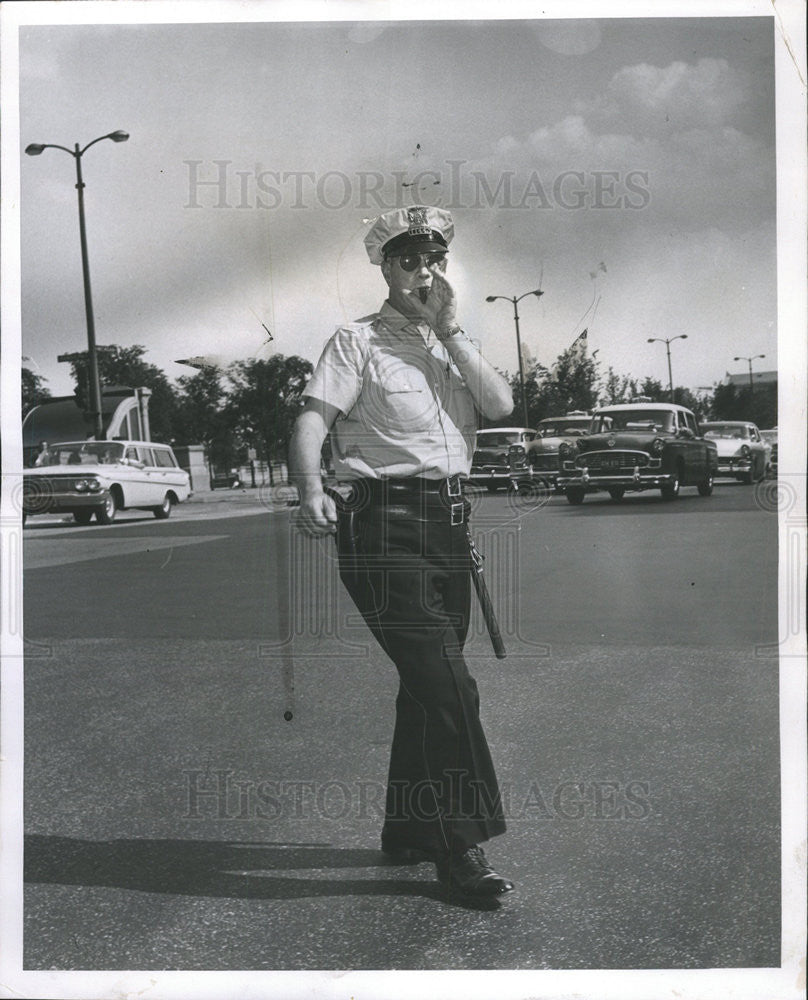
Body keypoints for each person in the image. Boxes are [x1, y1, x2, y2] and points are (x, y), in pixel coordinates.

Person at [289, 205, 516, 900]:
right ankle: (458, 845)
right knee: (450, 684)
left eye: (433, 259)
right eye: (409, 259)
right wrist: (308, 488)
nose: (425, 270)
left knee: (426, 689)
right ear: (384, 269)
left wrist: (449, 331)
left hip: (447, 526)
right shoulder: (355, 342)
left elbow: (501, 406)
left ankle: (410, 827)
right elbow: (310, 418)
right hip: (381, 527)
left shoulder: (452, 341)